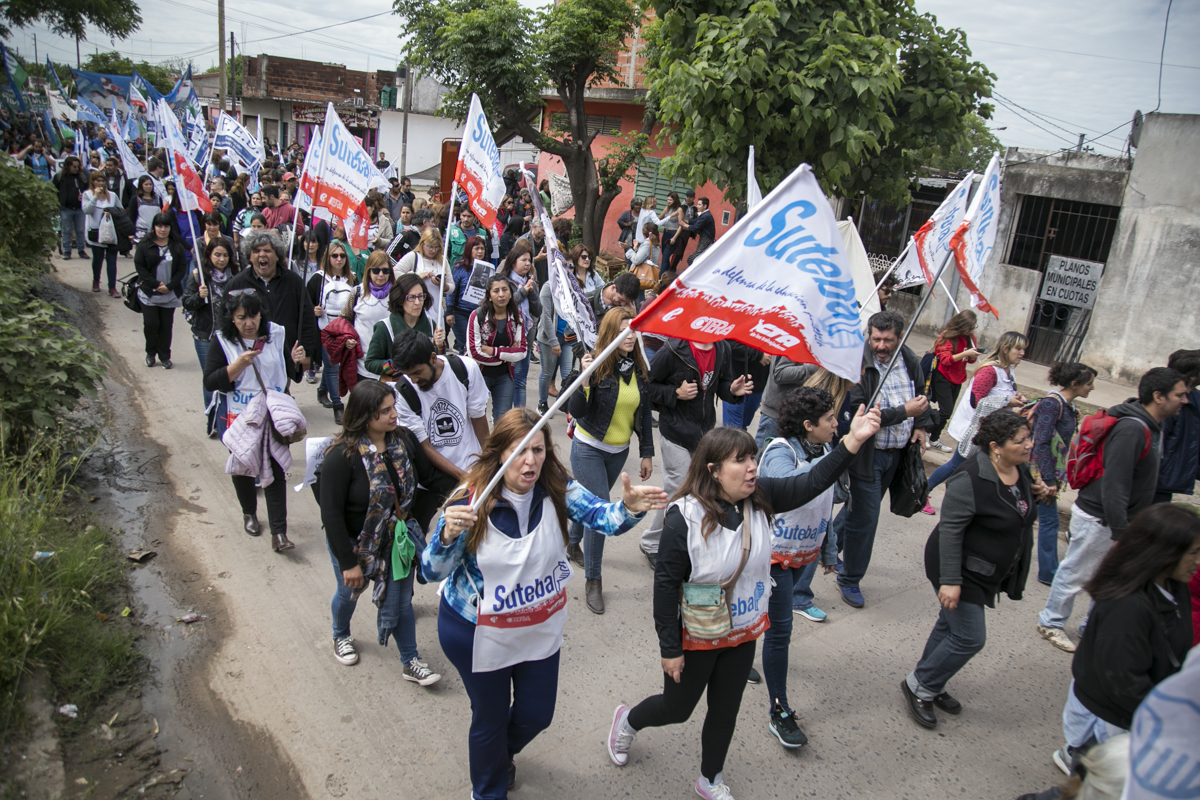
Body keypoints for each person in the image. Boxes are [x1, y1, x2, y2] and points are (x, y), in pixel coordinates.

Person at [607, 410, 880, 799]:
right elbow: (665, 588)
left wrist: (852, 440)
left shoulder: (761, 495)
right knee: (677, 708)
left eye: (753, 457)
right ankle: (627, 722)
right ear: (715, 470)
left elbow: (811, 482)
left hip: (744, 632)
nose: (753, 466)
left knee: (725, 711)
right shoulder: (682, 518)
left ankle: (710, 779)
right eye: (741, 460)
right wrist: (670, 649)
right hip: (699, 635)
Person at [423, 408, 668, 800]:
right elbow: (430, 571)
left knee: (537, 714)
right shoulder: (472, 499)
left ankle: (497, 754)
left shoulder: (556, 486)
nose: (530, 461)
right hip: (476, 632)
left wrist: (629, 508)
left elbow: (602, 517)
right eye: (519, 451)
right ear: (499, 453)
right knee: (489, 717)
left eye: (537, 450)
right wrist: (447, 536)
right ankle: (487, 789)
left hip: (537, 628)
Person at [902, 410, 1043, 730]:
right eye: (1021, 441)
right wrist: (950, 581)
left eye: (1029, 438)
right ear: (996, 446)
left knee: (949, 627)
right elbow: (951, 532)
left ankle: (932, 681)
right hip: (958, 569)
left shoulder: (1019, 468)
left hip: (986, 570)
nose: (1029, 445)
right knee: (970, 637)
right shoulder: (970, 478)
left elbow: (1019, 506)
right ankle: (920, 685)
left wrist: (1039, 493)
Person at [1037, 367, 1188, 653]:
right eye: (1180, 395)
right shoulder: (1133, 429)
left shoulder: (1152, 426)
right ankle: (1050, 621)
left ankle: (1092, 627)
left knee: (1109, 578)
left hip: (1118, 520)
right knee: (1076, 573)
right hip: (1101, 518)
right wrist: (1121, 531)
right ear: (1158, 396)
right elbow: (1115, 484)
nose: (1185, 400)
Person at [1052, 502, 1198, 774]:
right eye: (1194, 553)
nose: (1198, 562)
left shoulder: (1174, 586)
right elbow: (1124, 682)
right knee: (1096, 783)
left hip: (1136, 714)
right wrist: (1168, 718)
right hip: (1110, 719)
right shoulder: (1127, 608)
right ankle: (1076, 758)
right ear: (1166, 552)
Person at [318, 379, 442, 685]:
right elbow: (331, 514)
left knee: (400, 602)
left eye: (393, 407)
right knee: (349, 593)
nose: (393, 414)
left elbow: (429, 477)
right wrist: (348, 563)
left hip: (394, 542)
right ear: (364, 415)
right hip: (354, 544)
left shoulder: (404, 440)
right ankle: (341, 634)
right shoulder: (341, 457)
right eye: (385, 411)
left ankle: (410, 660)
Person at [756, 387, 853, 746]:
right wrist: (843, 452)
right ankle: (779, 711)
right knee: (780, 630)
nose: (836, 424)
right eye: (829, 419)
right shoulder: (780, 451)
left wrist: (828, 550)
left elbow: (824, 507)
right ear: (809, 425)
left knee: (762, 617)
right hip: (772, 558)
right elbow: (794, 485)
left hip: (801, 555)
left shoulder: (825, 450)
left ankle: (737, 648)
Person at [831, 311, 933, 608]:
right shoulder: (859, 364)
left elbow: (921, 395)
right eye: (876, 339)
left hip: (897, 454)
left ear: (899, 337)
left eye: (888, 340)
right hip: (867, 456)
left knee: (860, 509)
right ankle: (849, 579)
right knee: (866, 520)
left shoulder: (909, 358)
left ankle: (827, 546)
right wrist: (904, 412)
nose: (881, 345)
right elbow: (860, 412)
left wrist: (920, 425)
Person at [565, 309, 654, 612]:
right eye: (623, 331)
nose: (630, 336)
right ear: (610, 334)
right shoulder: (595, 363)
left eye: (633, 330)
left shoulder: (640, 368)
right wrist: (584, 378)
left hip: (619, 452)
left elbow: (643, 414)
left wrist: (646, 452)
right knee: (600, 511)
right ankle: (593, 580)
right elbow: (576, 410)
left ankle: (572, 541)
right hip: (588, 447)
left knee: (589, 506)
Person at [203, 291, 308, 550]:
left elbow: (292, 373)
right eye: (242, 318)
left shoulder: (276, 334)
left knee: (275, 469)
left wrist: (299, 362)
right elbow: (210, 381)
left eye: (254, 316)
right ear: (232, 318)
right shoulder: (223, 340)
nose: (249, 323)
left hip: (272, 414)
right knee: (243, 467)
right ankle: (249, 512)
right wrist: (237, 365)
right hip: (241, 417)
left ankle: (279, 533)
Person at [639, 336, 755, 566]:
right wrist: (676, 393)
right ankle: (652, 542)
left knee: (702, 489)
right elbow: (645, 387)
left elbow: (722, 383)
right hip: (675, 432)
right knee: (678, 488)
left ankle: (688, 540)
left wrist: (732, 390)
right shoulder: (672, 349)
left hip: (704, 434)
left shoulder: (722, 347)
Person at [928, 331, 1030, 497]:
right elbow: (977, 401)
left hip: (993, 431)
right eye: (1018, 349)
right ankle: (923, 493)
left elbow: (1002, 393)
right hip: (975, 430)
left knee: (975, 470)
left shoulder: (1008, 370)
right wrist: (1007, 401)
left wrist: (1016, 397)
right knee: (956, 465)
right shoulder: (989, 371)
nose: (1022, 353)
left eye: (1024, 349)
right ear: (1005, 348)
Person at [390, 328, 491, 482]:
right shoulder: (403, 392)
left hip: (473, 465)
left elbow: (478, 416)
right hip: (436, 478)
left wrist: (489, 460)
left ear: (432, 358)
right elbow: (425, 446)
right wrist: (463, 477)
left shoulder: (465, 369)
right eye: (408, 375)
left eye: (417, 372)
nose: (414, 380)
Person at [1030, 362, 1097, 585]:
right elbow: (1041, 442)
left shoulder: (1066, 405)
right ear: (1074, 384)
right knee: (1049, 521)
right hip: (1039, 472)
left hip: (1046, 472)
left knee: (1027, 515)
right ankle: (1049, 572)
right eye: (1089, 383)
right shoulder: (1052, 404)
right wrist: (1048, 478)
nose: (1092, 388)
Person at [224, 230, 320, 379]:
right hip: (248, 356)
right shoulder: (237, 284)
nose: (262, 254)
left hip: (284, 355)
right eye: (256, 251)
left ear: (277, 255)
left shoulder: (293, 281)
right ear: (249, 256)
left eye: (267, 251)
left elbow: (307, 318)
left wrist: (307, 352)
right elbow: (224, 320)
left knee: (280, 390)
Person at [182, 237, 240, 435]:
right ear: (209, 255)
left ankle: (228, 416)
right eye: (217, 255)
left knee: (229, 377)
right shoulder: (198, 277)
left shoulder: (236, 277)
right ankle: (212, 419)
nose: (221, 259)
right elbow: (187, 302)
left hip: (230, 336)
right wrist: (199, 297)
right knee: (211, 378)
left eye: (225, 255)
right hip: (206, 336)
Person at [309, 240, 358, 423]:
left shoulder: (353, 279)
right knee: (331, 366)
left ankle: (322, 390)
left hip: (345, 330)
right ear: (327, 258)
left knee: (333, 364)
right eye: (334, 255)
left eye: (342, 255)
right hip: (325, 330)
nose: (339, 259)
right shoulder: (317, 279)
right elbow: (305, 303)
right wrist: (313, 310)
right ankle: (338, 406)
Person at [468, 274, 527, 423]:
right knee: (476, 418)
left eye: (504, 289)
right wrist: (507, 354)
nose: (501, 294)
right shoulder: (477, 316)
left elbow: (522, 351)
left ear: (510, 293)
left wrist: (494, 351)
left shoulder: (517, 317)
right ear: (489, 296)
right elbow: (474, 352)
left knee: (503, 421)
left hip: (505, 376)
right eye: (496, 291)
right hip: (479, 375)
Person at [133, 213, 189, 369]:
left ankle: (165, 356)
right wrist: (156, 284)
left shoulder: (176, 247)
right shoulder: (144, 245)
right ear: (154, 227)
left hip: (169, 294)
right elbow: (140, 267)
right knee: (151, 324)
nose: (163, 229)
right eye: (159, 226)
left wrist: (169, 286)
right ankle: (150, 353)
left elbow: (181, 270)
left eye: (166, 226)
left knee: (166, 326)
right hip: (149, 293)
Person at [365, 273, 445, 379]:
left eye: (420, 296)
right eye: (411, 297)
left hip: (425, 384)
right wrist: (395, 365)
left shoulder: (430, 324)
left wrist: (439, 346)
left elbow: (438, 361)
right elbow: (370, 363)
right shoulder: (384, 327)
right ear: (400, 299)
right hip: (398, 385)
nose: (417, 302)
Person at [496, 243, 542, 410]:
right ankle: (503, 413)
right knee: (504, 380)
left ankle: (519, 417)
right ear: (513, 261)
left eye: (529, 260)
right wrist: (523, 291)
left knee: (520, 381)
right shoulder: (503, 282)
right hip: (506, 337)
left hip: (525, 336)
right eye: (523, 260)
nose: (528, 263)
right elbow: (506, 304)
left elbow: (537, 310)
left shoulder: (530, 282)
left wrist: (531, 291)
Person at [928, 310, 980, 451]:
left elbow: (970, 360)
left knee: (948, 412)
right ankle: (926, 429)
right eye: (968, 328)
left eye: (973, 328)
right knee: (946, 411)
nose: (970, 331)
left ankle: (934, 438)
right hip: (943, 376)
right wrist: (965, 353)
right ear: (961, 325)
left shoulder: (970, 338)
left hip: (958, 378)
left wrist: (972, 354)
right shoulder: (948, 337)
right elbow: (945, 360)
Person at [340, 250, 395, 382]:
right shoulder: (358, 292)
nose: (381, 275)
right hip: (363, 364)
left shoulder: (397, 294)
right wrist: (347, 338)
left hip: (391, 364)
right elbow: (343, 319)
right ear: (369, 271)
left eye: (385, 271)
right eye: (376, 270)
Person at [1155, 348, 1200, 504]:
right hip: (1156, 477)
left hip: (1169, 479)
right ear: (1193, 376)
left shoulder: (1195, 398)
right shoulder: (1165, 400)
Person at [82, 170, 122, 298]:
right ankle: (96, 280)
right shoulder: (87, 195)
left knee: (112, 261)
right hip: (96, 233)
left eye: (103, 181)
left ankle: (112, 287)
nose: (101, 183)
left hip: (110, 233)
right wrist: (95, 197)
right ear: (93, 182)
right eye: (98, 181)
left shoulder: (112, 195)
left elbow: (120, 211)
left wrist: (112, 213)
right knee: (98, 259)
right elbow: (87, 210)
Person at [449, 235, 488, 353]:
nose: (480, 252)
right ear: (469, 250)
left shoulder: (487, 268)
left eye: (482, 248)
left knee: (477, 346)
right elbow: (452, 291)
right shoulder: (459, 268)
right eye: (476, 248)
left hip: (479, 313)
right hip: (460, 312)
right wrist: (449, 312)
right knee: (466, 345)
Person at [724, 343, 769, 431]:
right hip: (736, 382)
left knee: (743, 427)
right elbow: (729, 345)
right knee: (732, 429)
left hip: (758, 384)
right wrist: (758, 355)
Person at [53, 155, 89, 260]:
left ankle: (81, 250)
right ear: (68, 166)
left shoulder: (82, 177)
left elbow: (88, 189)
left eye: (78, 166)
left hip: (79, 208)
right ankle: (67, 250)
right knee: (66, 230)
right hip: (66, 208)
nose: (76, 169)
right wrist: (57, 204)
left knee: (80, 230)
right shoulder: (60, 177)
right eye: (74, 167)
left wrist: (84, 196)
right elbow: (54, 190)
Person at [686, 197, 715, 266]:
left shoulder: (706, 216)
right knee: (697, 258)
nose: (697, 206)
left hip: (706, 240)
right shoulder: (704, 215)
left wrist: (684, 224)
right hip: (703, 239)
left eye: (699, 204)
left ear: (705, 206)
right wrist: (685, 221)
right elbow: (694, 221)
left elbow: (695, 228)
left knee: (692, 259)